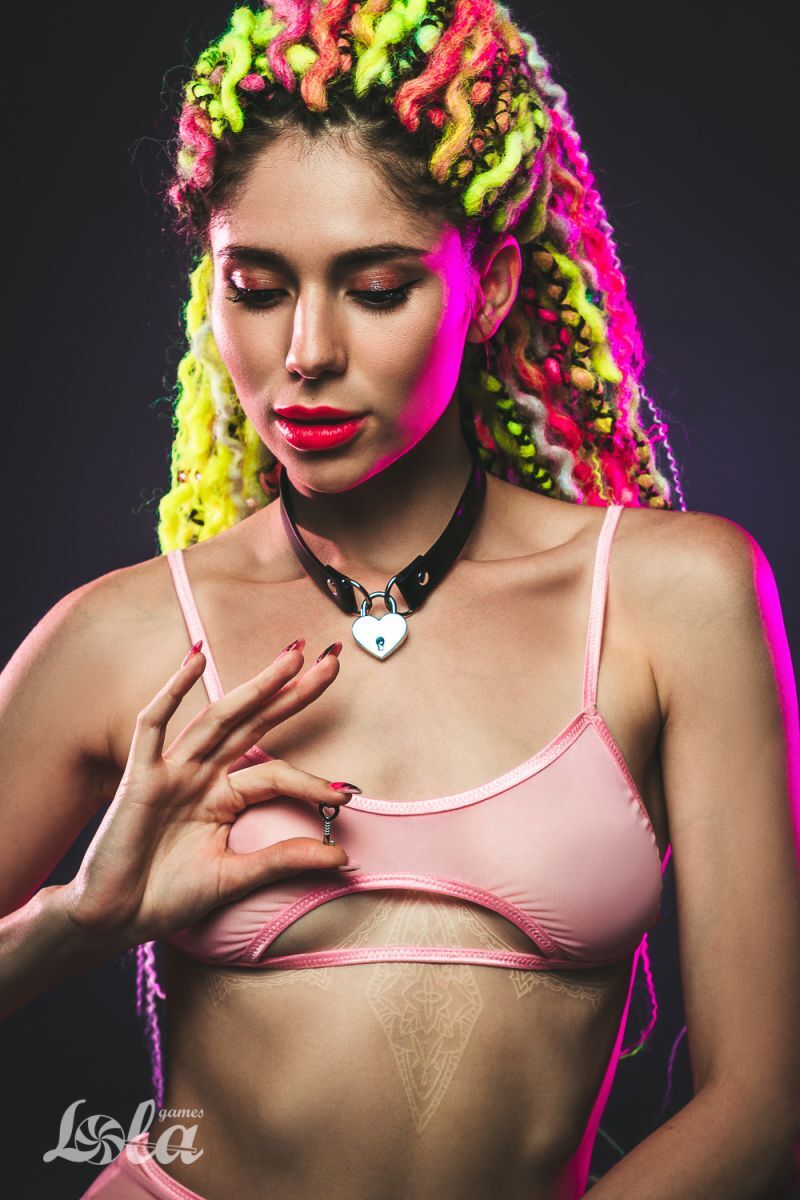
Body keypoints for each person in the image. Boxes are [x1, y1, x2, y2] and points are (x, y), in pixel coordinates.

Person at [1, 0, 798, 1197]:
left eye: (374, 288)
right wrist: (77, 920)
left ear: (489, 290)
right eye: (255, 287)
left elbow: (758, 1103)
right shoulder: (123, 639)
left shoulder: (671, 599)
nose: (304, 353)